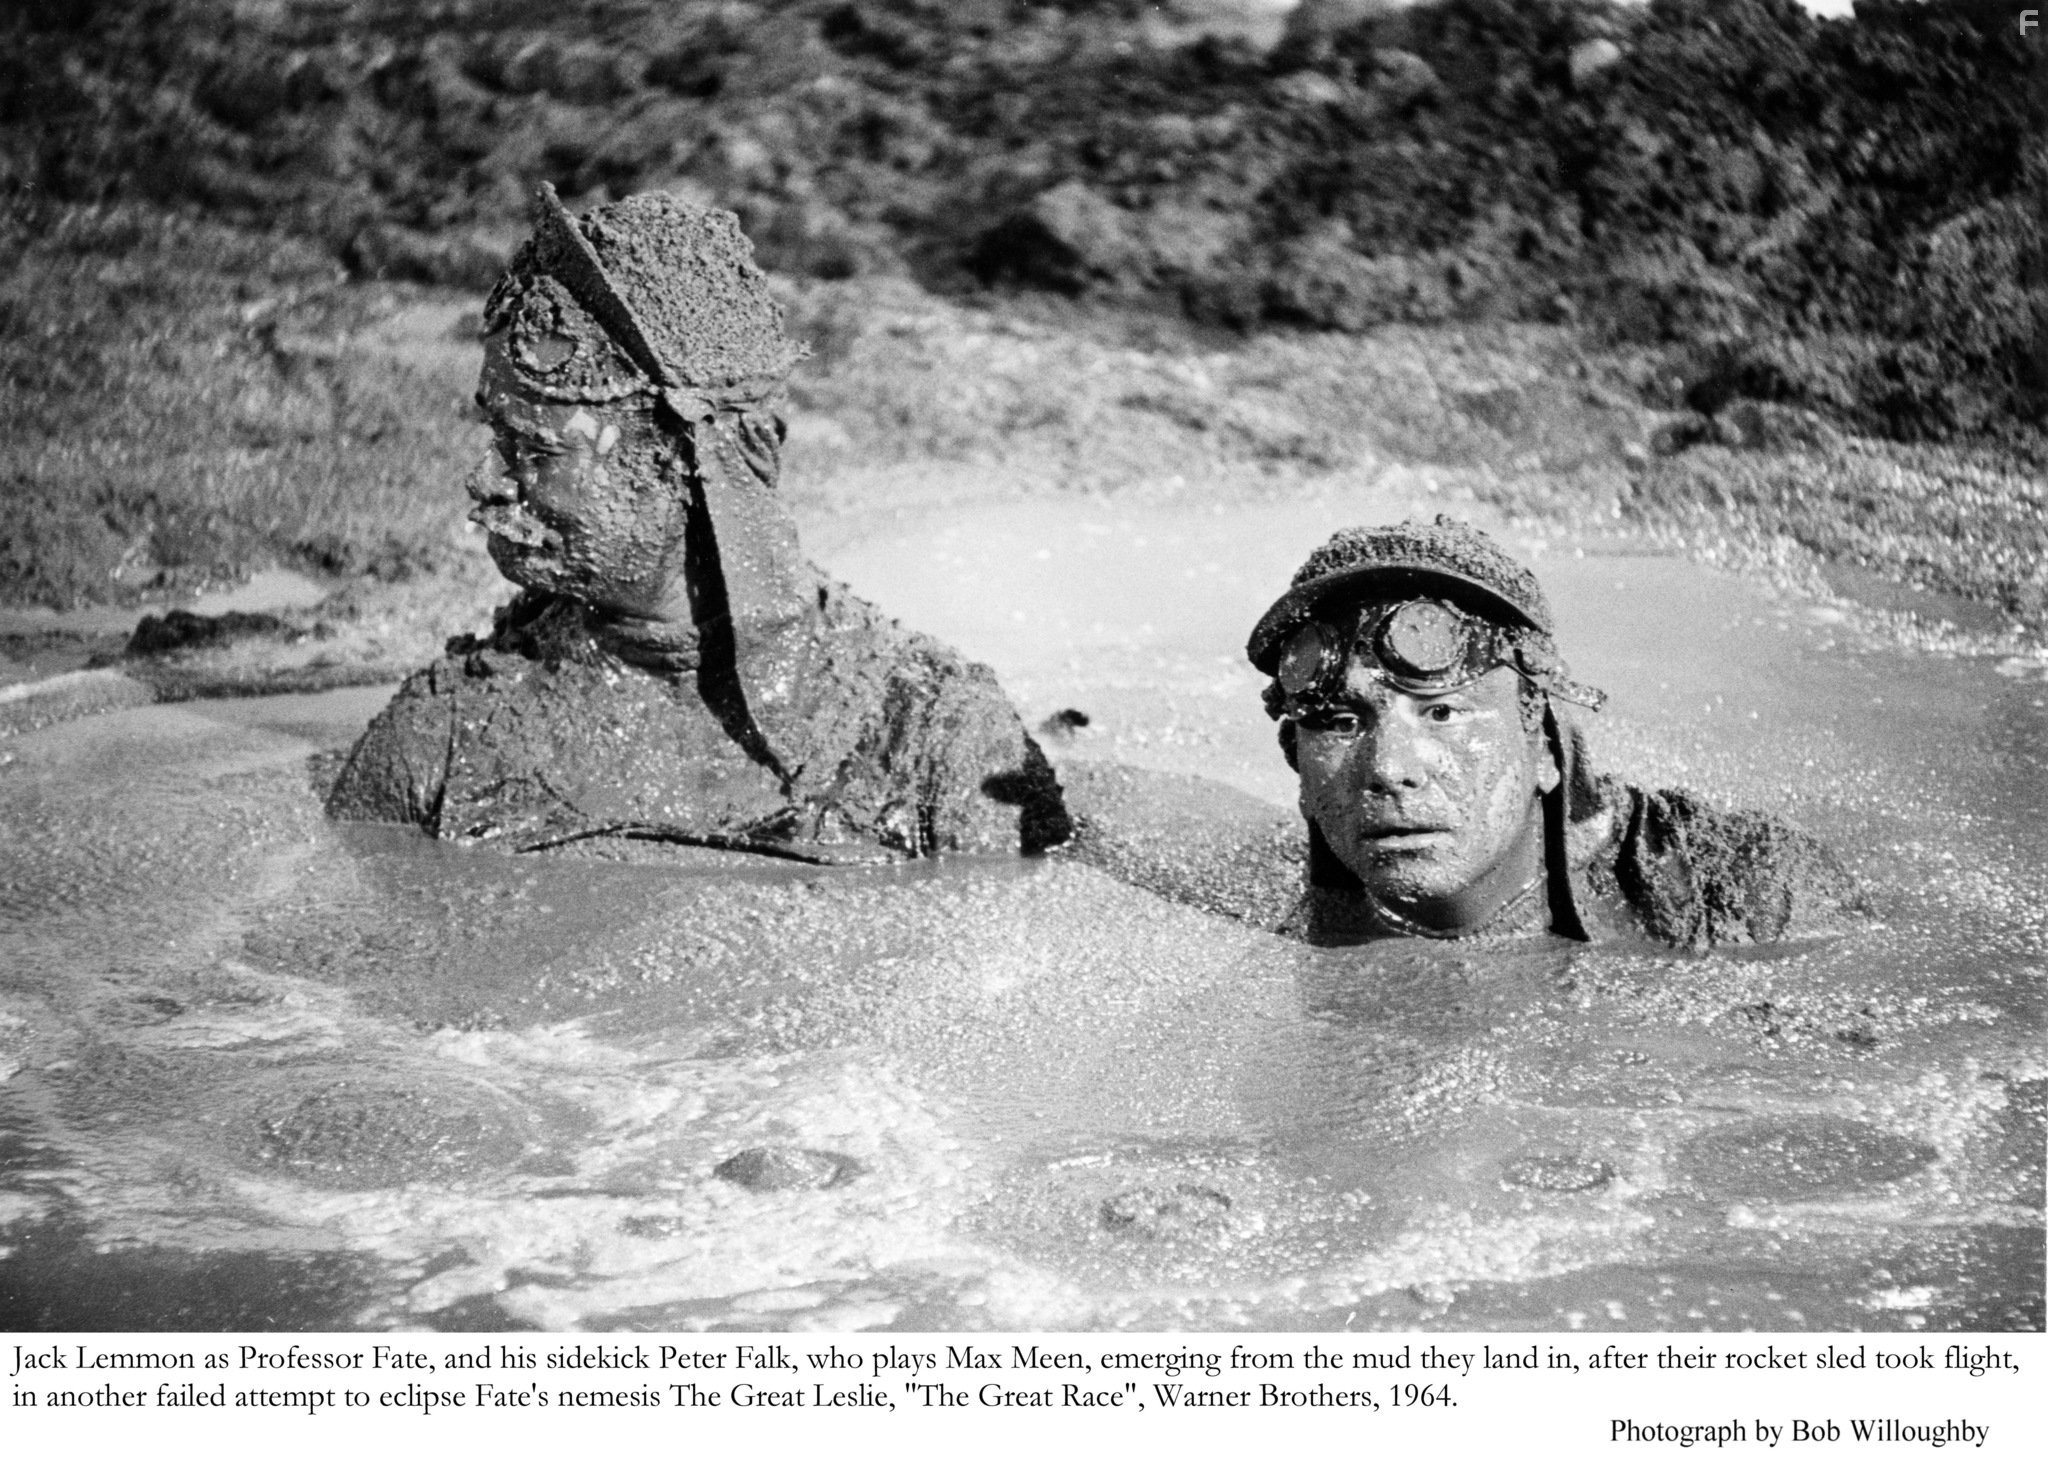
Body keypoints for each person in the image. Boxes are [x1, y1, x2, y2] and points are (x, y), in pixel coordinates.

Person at [328, 186, 1068, 861]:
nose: (485, 482)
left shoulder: (929, 739)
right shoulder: (448, 734)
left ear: (692, 464)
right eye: (498, 438)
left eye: (535, 451)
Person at [1066, 517, 1861, 950]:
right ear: (1296, 764)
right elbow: (1091, 805)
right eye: (1342, 723)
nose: (1392, 770)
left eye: (1443, 711)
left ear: (1548, 746)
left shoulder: (1741, 891)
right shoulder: (1253, 890)